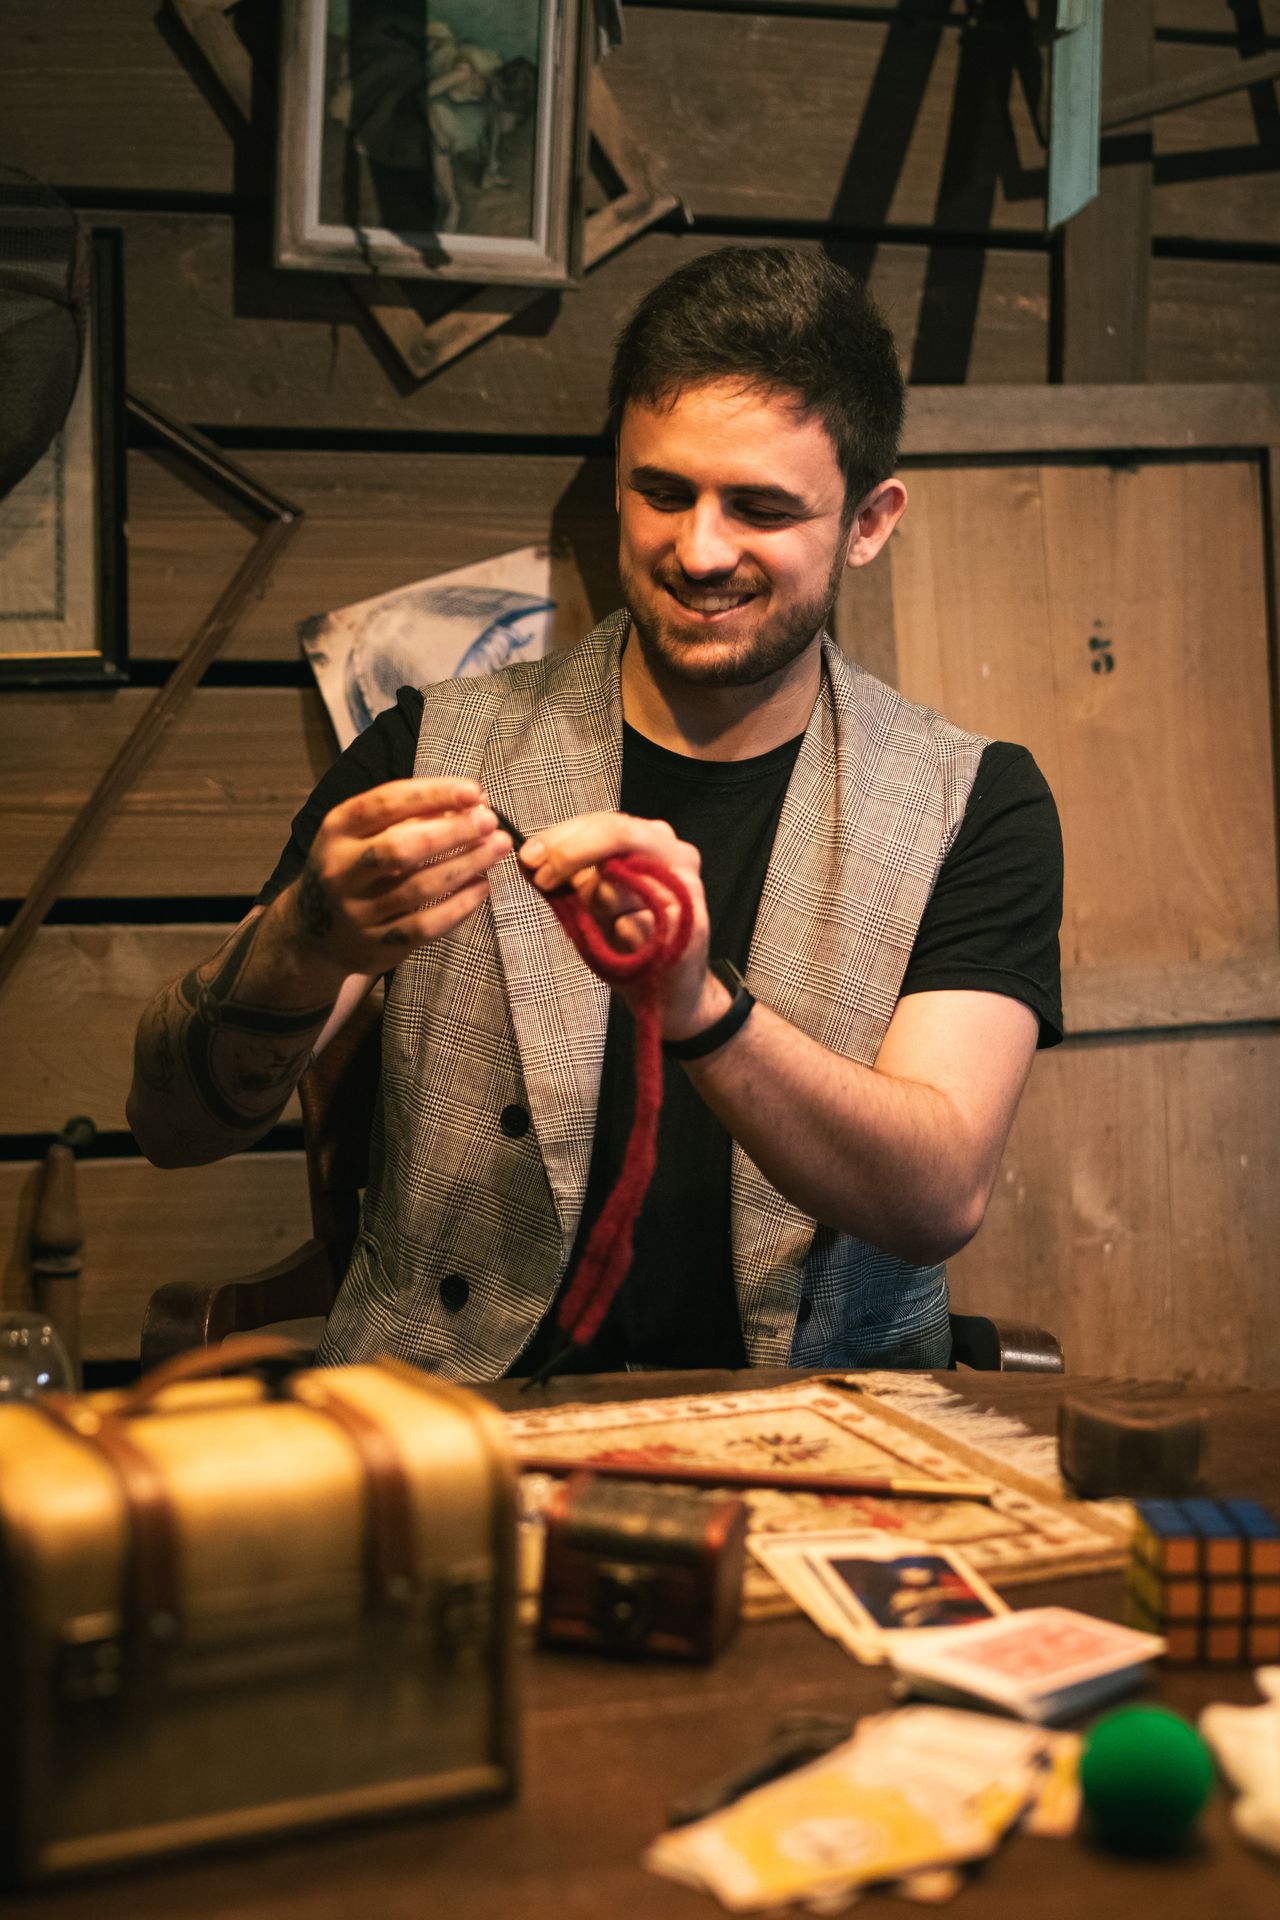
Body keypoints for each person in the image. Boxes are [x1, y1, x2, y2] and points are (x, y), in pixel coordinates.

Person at [127, 246, 1062, 1382]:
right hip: (457, 1435)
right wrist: (302, 939)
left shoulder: (972, 801)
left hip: (826, 1441)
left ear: (867, 521)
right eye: (661, 491)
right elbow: (174, 1128)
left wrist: (697, 1010)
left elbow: (937, 1191)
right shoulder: (431, 751)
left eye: (759, 507)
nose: (697, 549)